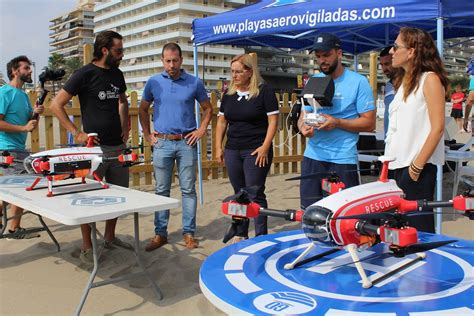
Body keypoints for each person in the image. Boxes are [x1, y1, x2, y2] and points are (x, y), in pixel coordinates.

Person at [50, 31, 132, 264]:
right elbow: (56, 104)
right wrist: (76, 132)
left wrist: (125, 126)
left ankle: (110, 237)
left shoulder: (117, 74)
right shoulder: (84, 74)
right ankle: (87, 245)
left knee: (119, 195)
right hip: (93, 150)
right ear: (104, 50)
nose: (122, 55)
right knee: (88, 199)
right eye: (118, 51)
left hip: (117, 148)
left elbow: (123, 100)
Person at [139, 43, 212, 251]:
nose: (172, 64)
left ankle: (188, 233)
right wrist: (147, 134)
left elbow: (208, 109)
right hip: (161, 142)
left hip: (186, 142)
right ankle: (160, 234)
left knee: (188, 189)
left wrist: (201, 130)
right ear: (162, 61)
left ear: (181, 60)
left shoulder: (194, 82)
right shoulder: (153, 83)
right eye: (168, 60)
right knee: (161, 190)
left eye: (175, 60)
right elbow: (143, 109)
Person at [297, 33, 376, 209]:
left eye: (326, 55)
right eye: (318, 57)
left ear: (339, 54)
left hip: (342, 160)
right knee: (309, 213)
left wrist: (337, 122)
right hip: (312, 157)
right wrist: (303, 127)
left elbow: (370, 124)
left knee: (340, 216)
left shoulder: (358, 82)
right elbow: (304, 115)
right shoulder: (314, 80)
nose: (321, 60)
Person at [385, 27, 449, 233]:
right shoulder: (403, 82)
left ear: (412, 51)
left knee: (418, 232)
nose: (391, 52)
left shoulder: (429, 79)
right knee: (398, 231)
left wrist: (416, 167)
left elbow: (438, 127)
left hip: (415, 168)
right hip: (396, 166)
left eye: (396, 47)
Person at [215, 54, 279, 242]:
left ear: (250, 72)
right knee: (239, 193)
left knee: (255, 192)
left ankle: (260, 236)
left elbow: (273, 121)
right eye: (232, 71)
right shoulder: (229, 93)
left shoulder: (264, 90)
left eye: (238, 72)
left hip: (255, 149)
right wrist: (219, 147)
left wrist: (265, 147)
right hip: (233, 149)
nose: (234, 75)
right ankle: (241, 232)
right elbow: (221, 122)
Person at [0, 55, 44, 238]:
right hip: (6, 148)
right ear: (15, 71)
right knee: (23, 184)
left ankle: (14, 228)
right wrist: (22, 127)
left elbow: (30, 124)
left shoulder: (24, 96)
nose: (30, 70)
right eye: (26, 68)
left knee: (19, 186)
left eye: (29, 68)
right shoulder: (4, 93)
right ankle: (12, 228)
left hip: (18, 148)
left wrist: (36, 114)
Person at [379, 46, 401, 138]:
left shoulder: (408, 84)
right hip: (389, 142)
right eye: (382, 65)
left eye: (387, 64)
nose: (384, 69)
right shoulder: (388, 85)